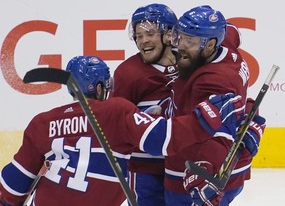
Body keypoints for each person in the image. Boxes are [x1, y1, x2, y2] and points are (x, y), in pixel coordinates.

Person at [0, 55, 245, 206]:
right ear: (100, 88)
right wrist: (207, 117)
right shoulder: (116, 111)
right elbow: (165, 139)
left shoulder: (42, 122)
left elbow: (13, 185)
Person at [162, 5, 266, 205]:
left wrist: (205, 171)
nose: (181, 45)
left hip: (197, 175)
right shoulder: (226, 40)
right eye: (180, 36)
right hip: (234, 172)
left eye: (190, 41)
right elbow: (232, 30)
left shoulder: (213, 82)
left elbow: (221, 132)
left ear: (210, 45)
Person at [109, 3, 179, 205]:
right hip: (144, 171)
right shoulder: (128, 73)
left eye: (149, 33)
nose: (143, 41)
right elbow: (113, 123)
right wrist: (138, 120)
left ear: (168, 35)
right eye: (138, 36)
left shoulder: (188, 65)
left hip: (183, 167)